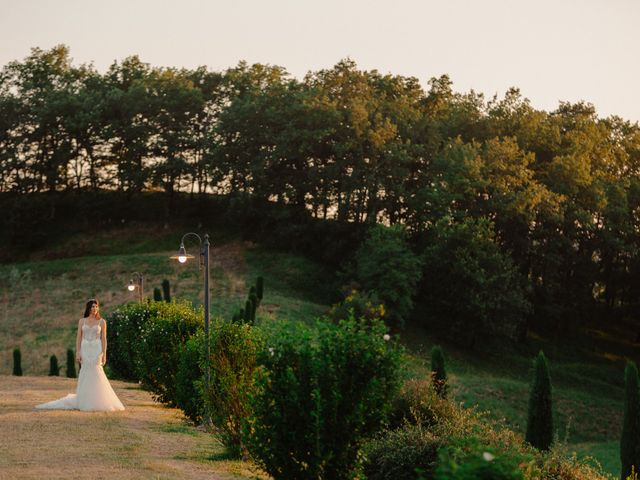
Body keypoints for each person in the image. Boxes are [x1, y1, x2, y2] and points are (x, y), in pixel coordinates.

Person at [36, 299, 125, 412]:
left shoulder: (102, 322)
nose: (94, 309)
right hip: (85, 350)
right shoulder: (82, 321)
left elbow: (104, 339)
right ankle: (85, 400)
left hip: (96, 350)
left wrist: (104, 353)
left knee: (97, 373)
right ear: (88, 308)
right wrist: (78, 352)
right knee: (85, 373)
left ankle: (99, 400)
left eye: (96, 306)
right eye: (92, 307)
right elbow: (79, 337)